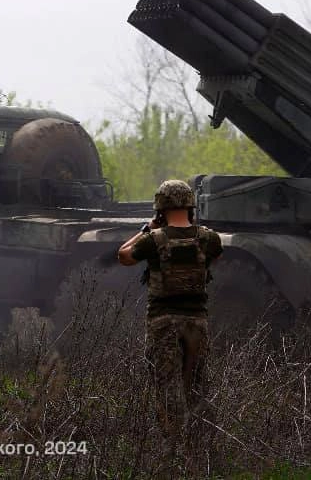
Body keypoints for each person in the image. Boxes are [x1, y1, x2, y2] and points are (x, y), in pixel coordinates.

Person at [117, 179, 223, 455]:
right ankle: (201, 449)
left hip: (163, 322)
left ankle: (173, 449)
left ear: (160, 209)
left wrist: (145, 230)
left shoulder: (153, 241)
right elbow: (216, 257)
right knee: (197, 385)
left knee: (167, 386)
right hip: (197, 323)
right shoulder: (208, 238)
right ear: (191, 206)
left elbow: (124, 256)